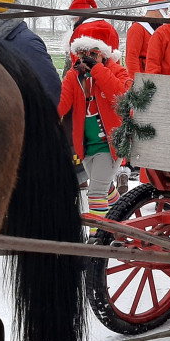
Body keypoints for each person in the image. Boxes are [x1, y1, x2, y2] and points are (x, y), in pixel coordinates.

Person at [57, 19, 132, 228]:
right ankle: (124, 222)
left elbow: (122, 99)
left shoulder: (117, 71)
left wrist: (98, 70)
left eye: (92, 54)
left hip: (111, 145)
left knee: (96, 193)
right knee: (106, 189)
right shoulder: (75, 77)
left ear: (104, 54)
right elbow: (61, 105)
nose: (86, 59)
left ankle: (97, 241)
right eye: (82, 54)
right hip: (87, 146)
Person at [125, 0, 170, 79]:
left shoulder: (163, 28)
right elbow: (131, 58)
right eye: (165, 10)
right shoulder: (137, 28)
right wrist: (136, 81)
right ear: (157, 9)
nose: (167, 13)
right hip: (143, 76)